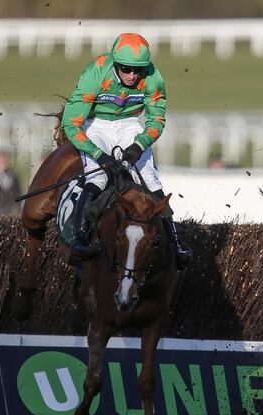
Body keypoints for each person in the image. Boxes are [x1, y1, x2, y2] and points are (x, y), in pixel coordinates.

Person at [62, 32, 191, 269]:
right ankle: (80, 238)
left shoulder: (152, 77)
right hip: (96, 125)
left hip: (129, 124)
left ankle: (176, 243)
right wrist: (99, 155)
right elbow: (71, 124)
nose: (132, 75)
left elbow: (156, 121)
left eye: (137, 70)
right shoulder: (96, 72)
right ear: (115, 64)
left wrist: (139, 145)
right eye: (126, 69)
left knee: (150, 179)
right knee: (98, 177)